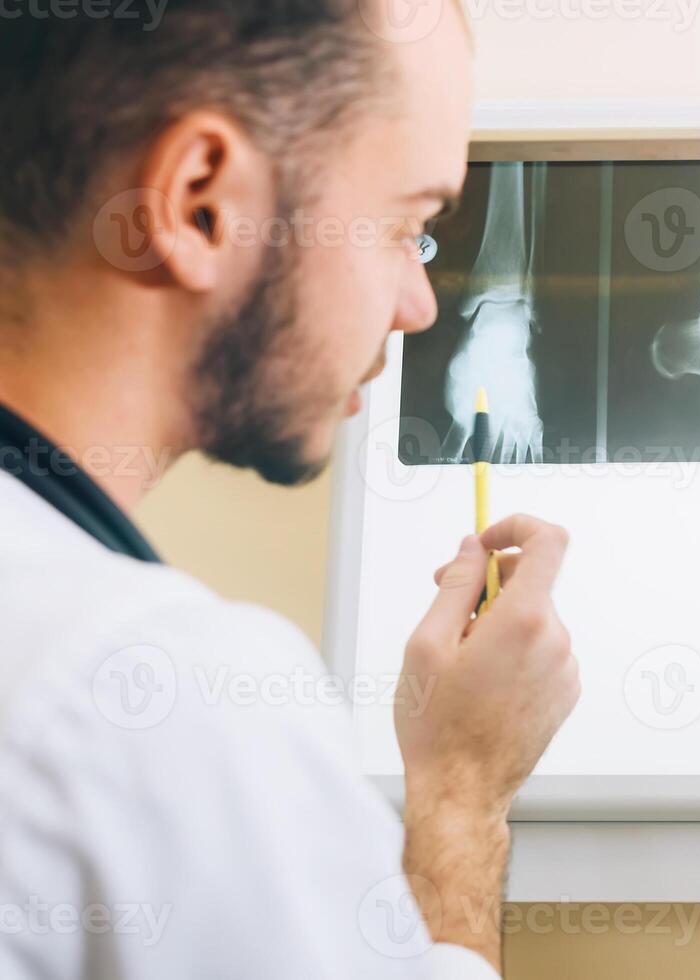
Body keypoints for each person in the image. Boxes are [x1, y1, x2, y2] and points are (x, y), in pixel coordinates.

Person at [0, 2, 578, 977]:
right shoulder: (147, 697)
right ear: (199, 204)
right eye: (408, 226)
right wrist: (461, 792)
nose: (419, 302)